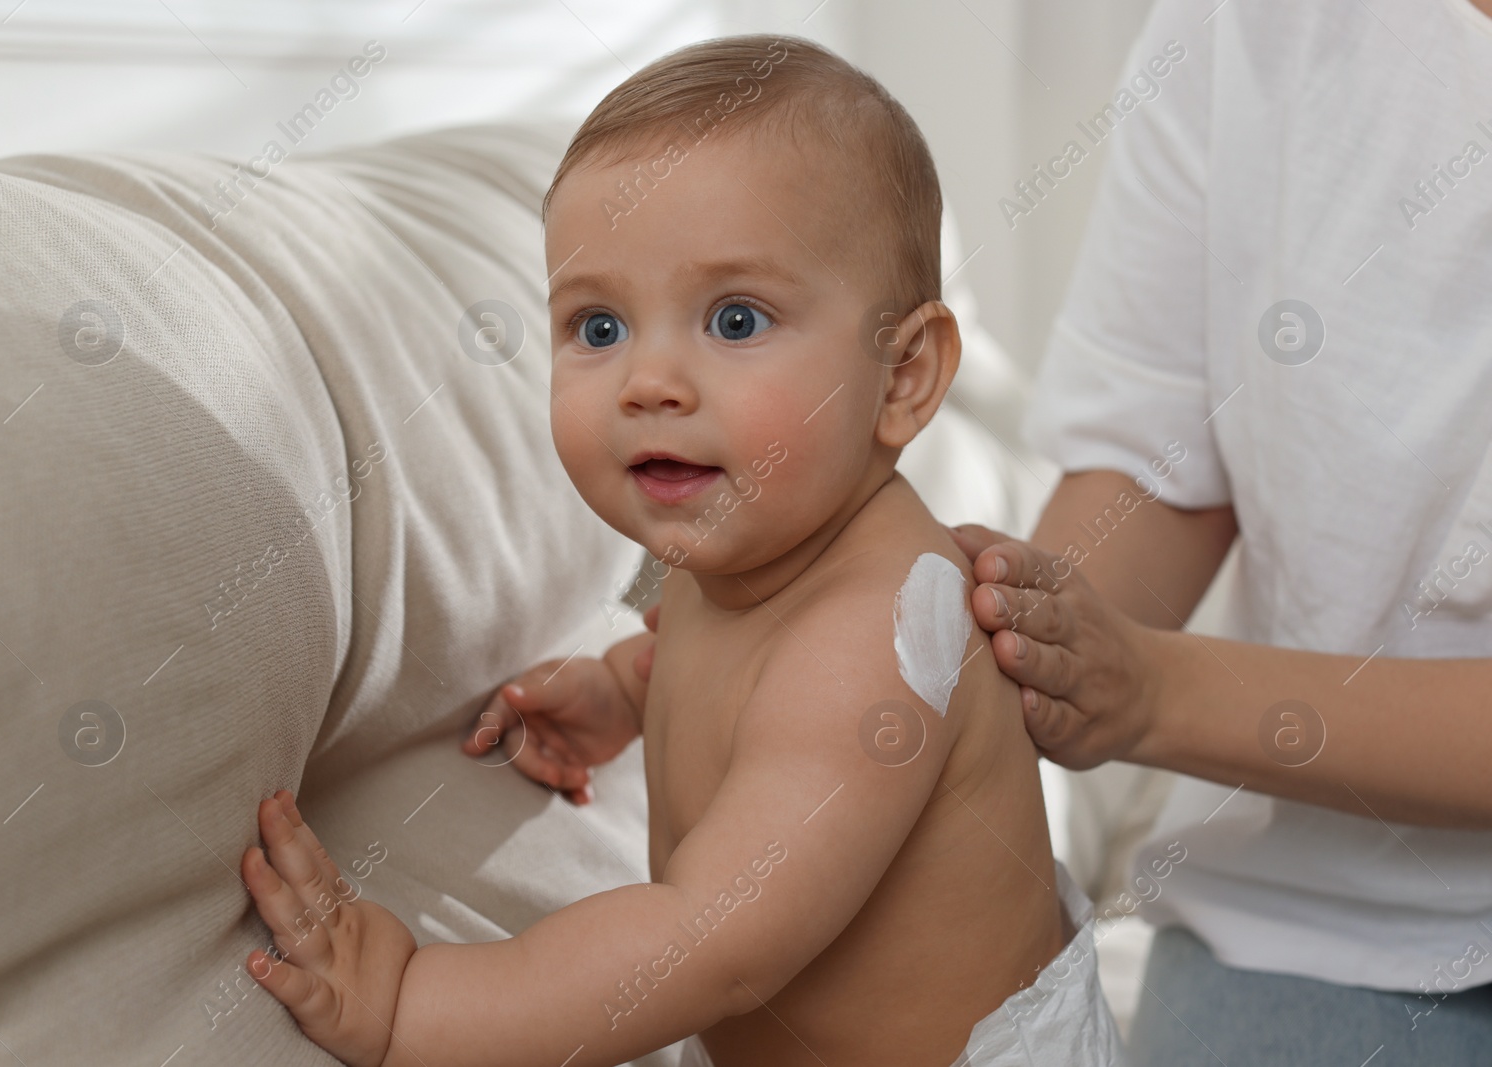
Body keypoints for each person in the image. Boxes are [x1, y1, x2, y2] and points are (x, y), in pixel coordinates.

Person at [233, 35, 1125, 1067]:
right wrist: (633, 690)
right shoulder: (745, 545)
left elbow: (711, 940)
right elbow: (758, 693)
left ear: (903, 377)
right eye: (599, 324)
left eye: (734, 318)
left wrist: (410, 1001)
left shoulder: (875, 631)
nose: (648, 379)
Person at [949, 0, 1492, 1062]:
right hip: (1310, 914)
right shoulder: (1246, 25)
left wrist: (1149, 689)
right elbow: (1162, 467)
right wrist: (992, 636)